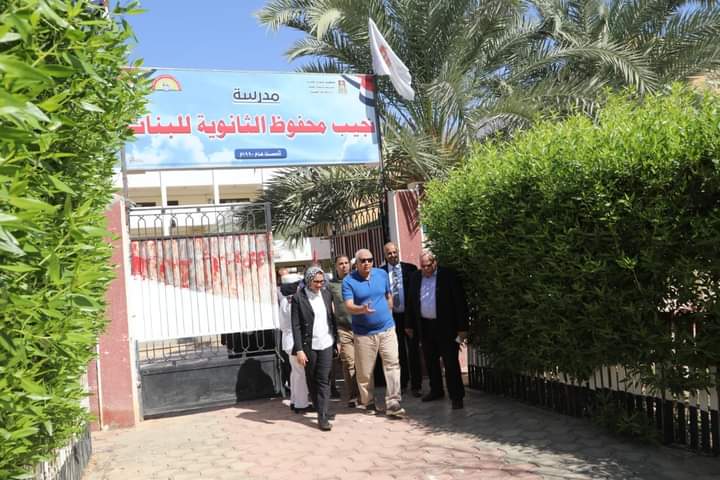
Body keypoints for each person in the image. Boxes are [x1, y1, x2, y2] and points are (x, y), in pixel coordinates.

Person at [342, 249, 405, 418]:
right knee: (365, 371)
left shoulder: (381, 274)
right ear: (356, 263)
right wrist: (361, 309)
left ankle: (393, 402)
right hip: (364, 333)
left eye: (369, 260)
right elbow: (348, 305)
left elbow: (388, 295)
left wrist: (388, 313)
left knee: (392, 363)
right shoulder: (349, 281)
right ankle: (368, 401)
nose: (366, 263)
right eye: (362, 261)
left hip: (387, 329)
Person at [407, 251, 469, 409]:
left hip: (446, 326)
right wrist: (409, 324)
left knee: (450, 362)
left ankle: (456, 396)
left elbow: (459, 302)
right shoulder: (415, 277)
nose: (425, 269)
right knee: (430, 360)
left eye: (428, 266)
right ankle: (436, 390)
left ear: (435, 262)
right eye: (423, 266)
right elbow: (411, 302)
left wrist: (462, 328)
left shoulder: (448, 275)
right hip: (425, 326)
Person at [291, 266, 338, 431]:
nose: (319, 285)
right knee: (312, 379)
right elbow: (296, 326)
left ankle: (323, 416)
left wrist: (337, 340)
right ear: (308, 280)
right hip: (309, 345)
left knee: (324, 379)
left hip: (326, 342)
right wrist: (299, 350)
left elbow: (331, 319)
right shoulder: (298, 298)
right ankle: (320, 409)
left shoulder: (326, 294)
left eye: (322, 281)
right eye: (316, 282)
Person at [381, 242, 422, 397]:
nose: (393, 255)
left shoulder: (410, 269)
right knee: (398, 353)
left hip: (409, 317)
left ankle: (416, 385)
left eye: (394, 252)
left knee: (413, 351)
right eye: (389, 253)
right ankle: (402, 384)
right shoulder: (381, 273)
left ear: (398, 252)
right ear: (385, 255)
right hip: (392, 318)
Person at [327, 255, 360, 408]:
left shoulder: (357, 280)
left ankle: (365, 394)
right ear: (336, 266)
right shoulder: (331, 286)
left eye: (346, 263)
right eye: (341, 263)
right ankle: (353, 395)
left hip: (361, 327)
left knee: (363, 363)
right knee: (349, 362)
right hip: (343, 328)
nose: (344, 266)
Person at [277, 273, 310, 413]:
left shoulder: (285, 300)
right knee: (300, 374)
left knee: (295, 373)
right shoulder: (292, 301)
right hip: (294, 341)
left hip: (288, 340)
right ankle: (301, 405)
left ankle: (295, 400)